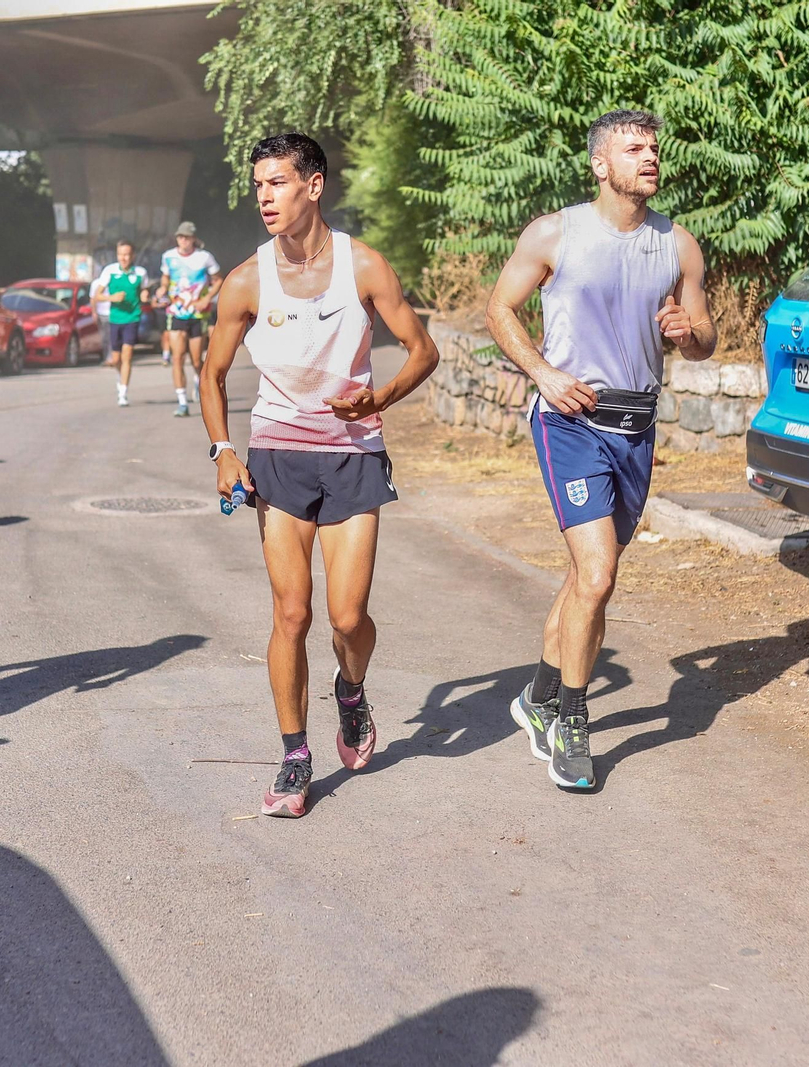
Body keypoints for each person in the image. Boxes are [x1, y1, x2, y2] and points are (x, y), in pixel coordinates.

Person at [200, 132, 439, 818]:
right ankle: (295, 755)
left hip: (353, 453)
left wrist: (379, 397)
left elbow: (423, 351)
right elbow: (212, 373)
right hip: (278, 454)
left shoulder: (362, 266)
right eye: (258, 185)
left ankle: (351, 691)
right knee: (292, 611)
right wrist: (223, 450)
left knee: (348, 616)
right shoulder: (246, 280)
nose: (264, 197)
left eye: (277, 182)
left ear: (313, 185)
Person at [487, 109, 715, 791]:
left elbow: (706, 340)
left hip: (635, 429)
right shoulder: (555, 233)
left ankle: (538, 697)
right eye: (633, 147)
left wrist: (688, 333)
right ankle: (573, 721)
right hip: (571, 420)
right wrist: (543, 374)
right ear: (599, 164)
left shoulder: (678, 245)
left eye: (654, 147)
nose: (649, 157)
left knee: (586, 577)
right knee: (597, 575)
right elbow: (500, 309)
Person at [158, 221, 222, 417]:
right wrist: (162, 288)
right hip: (176, 312)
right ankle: (182, 402)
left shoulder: (204, 257)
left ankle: (198, 381)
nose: (183, 240)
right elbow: (165, 278)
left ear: (193, 239)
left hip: (197, 314)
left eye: (186, 237)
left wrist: (206, 299)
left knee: (196, 360)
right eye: (180, 237)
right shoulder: (168, 256)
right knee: (177, 357)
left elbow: (218, 280)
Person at [90, 240, 150, 407]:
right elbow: (97, 295)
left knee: (127, 355)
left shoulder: (140, 273)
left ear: (133, 256)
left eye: (127, 255)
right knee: (116, 359)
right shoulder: (110, 271)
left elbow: (144, 289)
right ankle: (120, 375)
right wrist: (112, 298)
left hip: (132, 318)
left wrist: (145, 295)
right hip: (115, 319)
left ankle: (123, 392)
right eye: (120, 254)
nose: (124, 258)